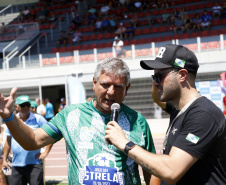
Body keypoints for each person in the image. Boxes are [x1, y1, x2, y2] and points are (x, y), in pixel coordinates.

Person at [0, 58, 160, 185]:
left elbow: (152, 170)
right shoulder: (71, 115)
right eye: (105, 85)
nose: (111, 92)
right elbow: (33, 140)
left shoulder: (137, 121)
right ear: (94, 83)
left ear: (127, 88)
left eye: (118, 86)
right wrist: (9, 117)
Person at [105, 44, 226, 185]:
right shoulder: (179, 109)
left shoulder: (203, 115)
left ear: (182, 75)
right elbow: (157, 98)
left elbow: (171, 170)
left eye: (159, 76)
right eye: (153, 76)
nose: (155, 83)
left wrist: (124, 143)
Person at [2, 95, 53, 185]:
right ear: (17, 107)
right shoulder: (12, 120)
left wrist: (46, 152)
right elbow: (8, 140)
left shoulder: (38, 119)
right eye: (23, 105)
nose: (26, 107)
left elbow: (51, 133)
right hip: (16, 165)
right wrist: (5, 159)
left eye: (28, 105)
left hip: (34, 164)